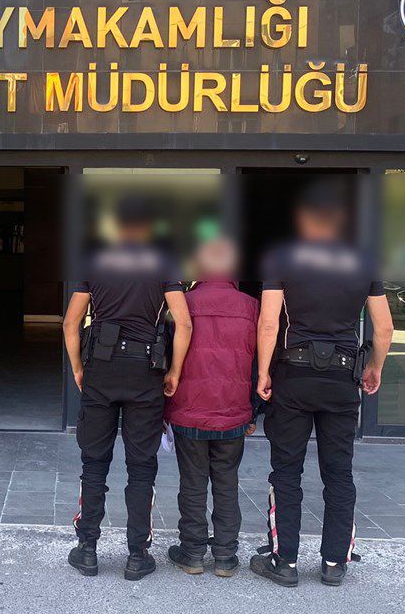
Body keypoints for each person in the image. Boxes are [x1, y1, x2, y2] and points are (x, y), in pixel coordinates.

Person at [249, 180, 394, 588]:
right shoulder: (363, 262)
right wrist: (375, 367)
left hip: (293, 377)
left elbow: (268, 323)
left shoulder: (282, 258)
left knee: (286, 471)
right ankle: (334, 563)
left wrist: (263, 372)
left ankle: (285, 561)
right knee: (339, 473)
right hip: (342, 380)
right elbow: (384, 329)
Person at [63, 196, 193, 581]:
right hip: (145, 373)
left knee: (94, 462)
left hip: (101, 370)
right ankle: (137, 554)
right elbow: (184, 323)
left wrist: (78, 367)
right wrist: (175, 372)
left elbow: (70, 324)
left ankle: (87, 549)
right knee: (141, 466)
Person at [162, 235, 258, 578]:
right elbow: (258, 364)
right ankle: (226, 557)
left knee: (192, 482)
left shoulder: (182, 303)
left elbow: (166, 356)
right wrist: (254, 410)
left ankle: (191, 553)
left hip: (189, 409)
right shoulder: (251, 306)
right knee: (227, 482)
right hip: (233, 411)